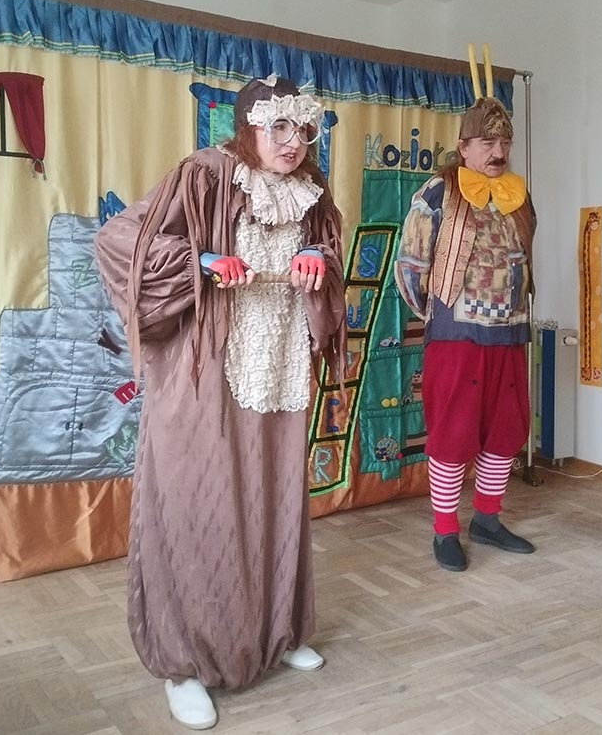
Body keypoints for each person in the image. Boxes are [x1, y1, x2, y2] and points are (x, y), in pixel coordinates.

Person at [95, 74, 346, 730]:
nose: (293, 142)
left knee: (274, 500)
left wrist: (315, 255)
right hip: (205, 373)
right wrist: (202, 264)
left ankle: (275, 633)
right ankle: (184, 665)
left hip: (279, 367)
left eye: (303, 129)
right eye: (278, 127)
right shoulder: (206, 175)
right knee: (199, 505)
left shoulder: (311, 193)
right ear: (248, 127)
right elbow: (122, 241)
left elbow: (328, 250)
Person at [394, 70, 537, 573]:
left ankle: (488, 520)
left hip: (511, 332)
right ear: (464, 147)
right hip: (457, 337)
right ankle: (445, 530)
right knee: (453, 432)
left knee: (507, 429)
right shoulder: (438, 193)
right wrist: (439, 316)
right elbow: (410, 265)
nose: (499, 152)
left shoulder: (519, 196)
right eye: (488, 143)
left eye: (505, 142)